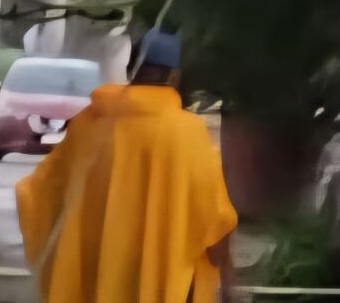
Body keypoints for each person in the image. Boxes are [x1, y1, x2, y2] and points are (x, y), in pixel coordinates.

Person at [15, 30, 241, 303]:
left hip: (93, 273)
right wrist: (228, 281)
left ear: (129, 67)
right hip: (161, 281)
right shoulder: (187, 133)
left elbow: (40, 194)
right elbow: (214, 218)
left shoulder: (88, 124)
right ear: (173, 76)